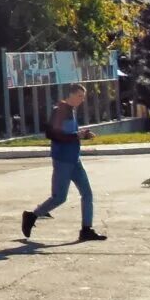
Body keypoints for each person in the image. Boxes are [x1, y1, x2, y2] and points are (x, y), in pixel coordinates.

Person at [21, 86, 103, 243]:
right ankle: (32, 215)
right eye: (79, 96)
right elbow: (53, 134)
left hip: (74, 159)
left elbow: (69, 135)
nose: (82, 99)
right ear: (71, 95)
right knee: (59, 198)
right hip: (63, 160)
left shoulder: (71, 110)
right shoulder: (60, 110)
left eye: (83, 96)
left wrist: (82, 135)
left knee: (87, 193)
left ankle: (86, 230)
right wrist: (76, 135)